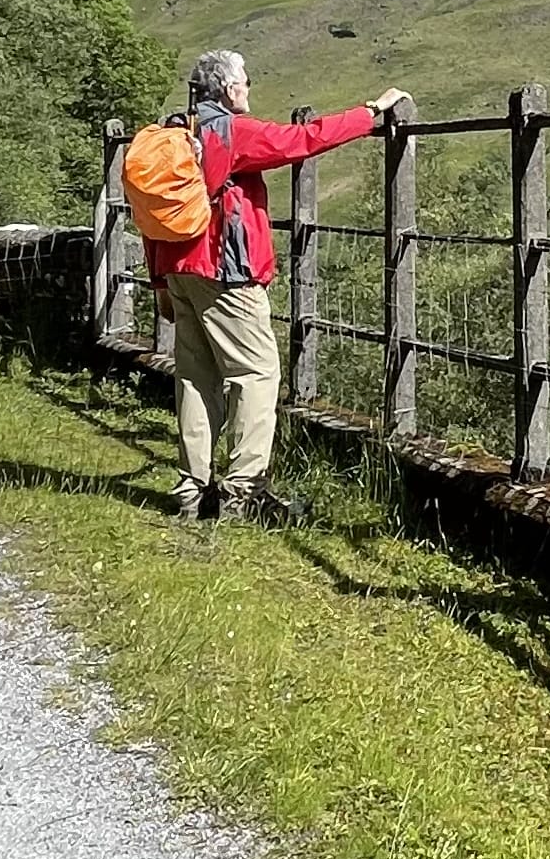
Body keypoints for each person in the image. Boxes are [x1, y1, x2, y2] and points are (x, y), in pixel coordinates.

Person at [151, 49, 404, 522]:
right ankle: (243, 492)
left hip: (178, 269)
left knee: (196, 378)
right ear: (228, 89)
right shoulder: (233, 132)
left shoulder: (175, 133)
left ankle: (192, 491)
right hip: (224, 273)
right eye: (245, 82)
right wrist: (370, 112)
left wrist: (158, 280)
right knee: (256, 374)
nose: (248, 88)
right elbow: (302, 139)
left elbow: (155, 211)